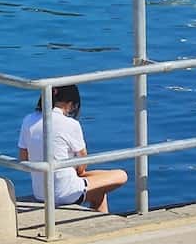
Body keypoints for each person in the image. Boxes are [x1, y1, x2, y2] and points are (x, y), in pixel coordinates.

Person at [18, 85, 127, 213]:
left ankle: (101, 220)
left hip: (40, 192)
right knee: (121, 175)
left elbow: (24, 158)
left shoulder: (28, 120)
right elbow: (82, 164)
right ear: (70, 104)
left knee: (99, 191)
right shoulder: (70, 124)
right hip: (66, 192)